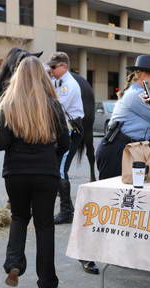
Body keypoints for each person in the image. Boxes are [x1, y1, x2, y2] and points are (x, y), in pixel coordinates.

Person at [0, 56, 69, 288]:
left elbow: (1, 143)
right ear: (42, 77)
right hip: (46, 173)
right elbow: (65, 143)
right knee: (45, 225)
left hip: (15, 173)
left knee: (19, 218)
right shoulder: (53, 106)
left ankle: (14, 264)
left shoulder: (9, 105)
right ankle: (47, 282)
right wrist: (49, 155)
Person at [47, 52, 100, 275]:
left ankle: (67, 210)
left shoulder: (69, 86)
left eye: (54, 67)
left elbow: (56, 106)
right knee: (57, 167)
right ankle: (64, 206)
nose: (51, 71)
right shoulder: (58, 80)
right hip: (63, 129)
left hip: (71, 130)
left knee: (60, 169)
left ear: (64, 67)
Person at [95, 55, 150, 180]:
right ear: (143, 76)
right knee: (111, 195)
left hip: (129, 149)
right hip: (117, 150)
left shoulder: (142, 93)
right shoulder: (136, 95)